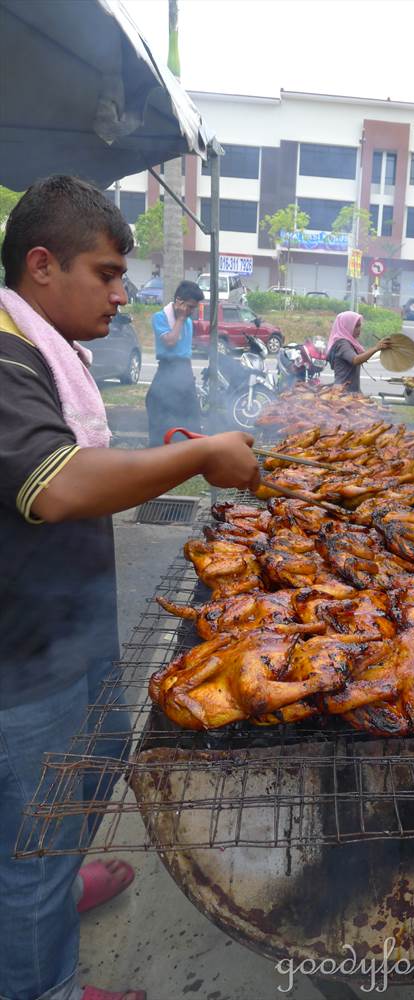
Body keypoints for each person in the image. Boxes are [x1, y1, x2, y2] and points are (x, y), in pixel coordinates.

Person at [0, 175, 260, 1000]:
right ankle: (46, 981)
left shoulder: (48, 351)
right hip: (18, 658)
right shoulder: (2, 355)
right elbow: (60, 486)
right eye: (106, 274)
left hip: (69, 631)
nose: (123, 293)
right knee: (29, 840)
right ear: (42, 266)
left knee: (92, 770)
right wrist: (197, 455)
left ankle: (54, 896)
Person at [145, 280, 204, 447]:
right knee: (156, 403)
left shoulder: (188, 321)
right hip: (166, 369)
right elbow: (170, 341)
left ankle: (190, 452)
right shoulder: (160, 317)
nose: (192, 311)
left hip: (184, 370)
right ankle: (159, 449)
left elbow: (185, 351)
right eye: (190, 306)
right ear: (179, 301)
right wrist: (180, 318)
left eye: (194, 307)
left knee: (191, 414)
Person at [326, 310, 391, 393]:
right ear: (346, 326)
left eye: (359, 326)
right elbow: (355, 360)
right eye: (356, 326)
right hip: (343, 392)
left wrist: (380, 348)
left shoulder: (348, 343)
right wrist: (376, 348)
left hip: (350, 390)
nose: (359, 329)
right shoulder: (343, 344)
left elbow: (363, 356)